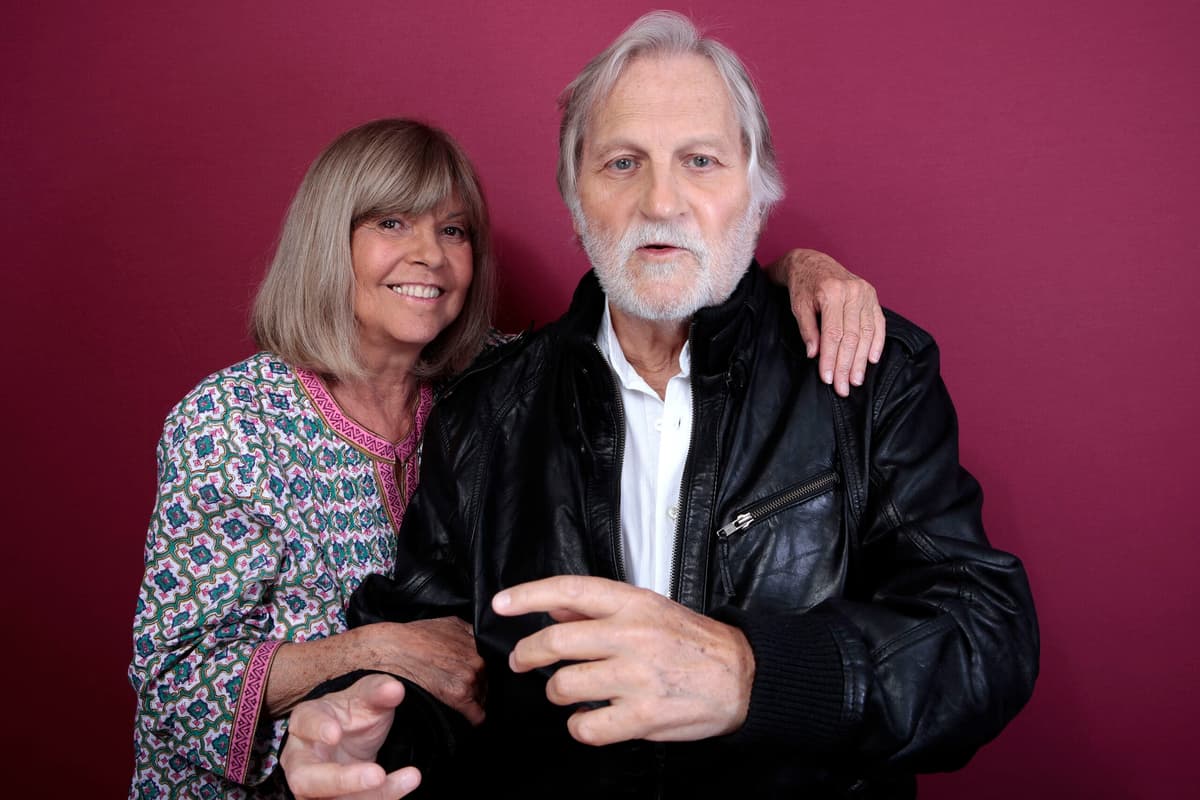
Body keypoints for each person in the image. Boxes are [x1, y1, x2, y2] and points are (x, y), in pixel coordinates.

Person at [280, 11, 1039, 800]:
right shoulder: (485, 413)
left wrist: (751, 673)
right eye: (621, 162)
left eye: (701, 160)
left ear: (757, 187)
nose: (661, 200)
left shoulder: (869, 372)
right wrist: (365, 730)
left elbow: (984, 642)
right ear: (576, 193)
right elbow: (436, 659)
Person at [129, 118, 885, 798]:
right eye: (393, 222)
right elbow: (173, 679)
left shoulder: (494, 387)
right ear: (331, 239)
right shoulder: (230, 422)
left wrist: (799, 273)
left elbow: (669, 310)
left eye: (455, 231)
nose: (431, 256)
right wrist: (379, 647)